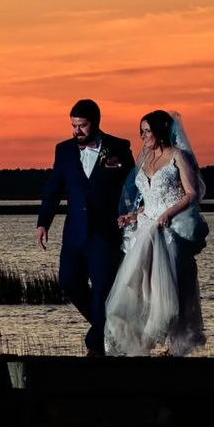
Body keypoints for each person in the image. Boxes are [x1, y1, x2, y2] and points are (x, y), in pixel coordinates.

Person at [102, 108, 207, 357]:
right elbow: (148, 200)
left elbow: (192, 193)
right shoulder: (146, 160)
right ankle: (138, 342)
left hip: (170, 229)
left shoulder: (178, 156)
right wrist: (133, 215)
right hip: (146, 227)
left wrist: (168, 214)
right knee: (137, 287)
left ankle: (173, 347)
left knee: (170, 290)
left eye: (147, 131)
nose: (143, 136)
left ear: (160, 131)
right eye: (141, 132)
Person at [35, 97, 135, 355]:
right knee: (68, 282)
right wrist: (43, 222)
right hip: (75, 233)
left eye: (82, 126)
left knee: (103, 290)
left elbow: (134, 188)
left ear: (96, 123)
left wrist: (133, 216)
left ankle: (95, 347)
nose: (76, 131)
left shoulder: (119, 148)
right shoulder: (64, 150)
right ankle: (110, 329)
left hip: (106, 233)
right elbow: (54, 188)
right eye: (73, 125)